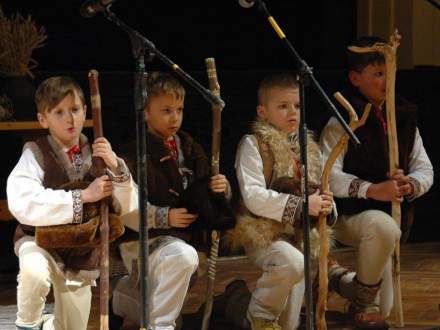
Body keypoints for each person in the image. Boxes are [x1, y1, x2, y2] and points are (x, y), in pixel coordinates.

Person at [320, 36, 434, 329]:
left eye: (390, 74)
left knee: (385, 310)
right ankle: (361, 297)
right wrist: (372, 189)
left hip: (389, 226)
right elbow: (327, 175)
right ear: (355, 78)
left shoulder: (405, 117)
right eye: (378, 74)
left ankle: (341, 280)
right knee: (381, 226)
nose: (386, 81)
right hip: (348, 217)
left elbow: (425, 169)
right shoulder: (343, 119)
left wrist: (410, 184)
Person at [7, 76, 137, 330]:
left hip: (81, 249)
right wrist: (82, 197)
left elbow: (128, 207)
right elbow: (22, 201)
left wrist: (114, 166)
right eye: (59, 112)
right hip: (40, 239)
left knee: (71, 327)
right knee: (34, 272)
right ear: (43, 119)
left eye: (75, 110)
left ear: (85, 112)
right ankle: (29, 324)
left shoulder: (98, 155)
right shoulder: (36, 152)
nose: (70, 119)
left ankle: (51, 325)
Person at [111, 71, 233, 330]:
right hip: (145, 237)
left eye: (179, 109)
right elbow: (126, 205)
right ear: (146, 112)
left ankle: (124, 299)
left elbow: (203, 185)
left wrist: (220, 187)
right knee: (182, 260)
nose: (175, 117)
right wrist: (164, 216)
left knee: (179, 274)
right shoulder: (135, 152)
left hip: (184, 236)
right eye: (166, 110)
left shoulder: (188, 145)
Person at [231, 72, 334, 330]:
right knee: (291, 262)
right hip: (264, 233)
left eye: (297, 106)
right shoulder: (253, 144)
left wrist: (326, 204)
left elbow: (320, 188)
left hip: (300, 236)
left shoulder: (309, 149)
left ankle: (235, 301)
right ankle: (260, 315)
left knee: (289, 323)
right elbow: (254, 195)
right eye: (283, 106)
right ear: (262, 112)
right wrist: (301, 206)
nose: (293, 112)